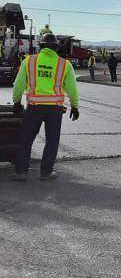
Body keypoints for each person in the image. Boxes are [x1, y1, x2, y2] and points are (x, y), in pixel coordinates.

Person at [9, 33, 79, 181]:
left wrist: (16, 102)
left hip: (34, 107)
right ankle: (46, 172)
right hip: (55, 109)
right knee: (52, 141)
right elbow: (72, 88)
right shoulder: (64, 64)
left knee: (26, 140)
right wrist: (75, 106)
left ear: (40, 46)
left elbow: (19, 84)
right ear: (55, 48)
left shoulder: (29, 61)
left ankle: (21, 172)